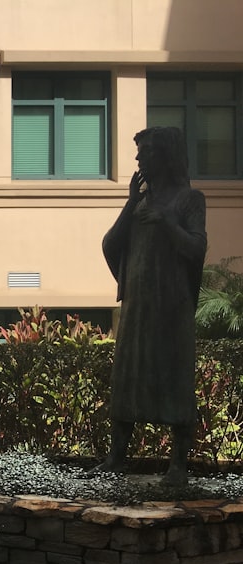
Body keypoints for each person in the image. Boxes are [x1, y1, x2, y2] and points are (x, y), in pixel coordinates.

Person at [92, 126, 207, 486]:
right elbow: (110, 245)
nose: (139, 159)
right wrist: (130, 203)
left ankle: (178, 465)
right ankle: (116, 456)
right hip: (139, 306)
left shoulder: (190, 200)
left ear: (167, 156)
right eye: (138, 152)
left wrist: (167, 222)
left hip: (172, 306)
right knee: (127, 377)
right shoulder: (139, 204)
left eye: (147, 152)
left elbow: (196, 248)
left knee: (175, 376)